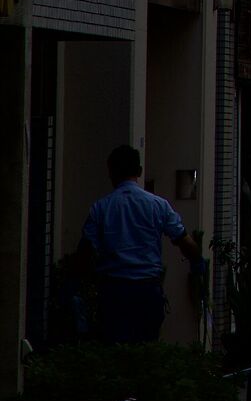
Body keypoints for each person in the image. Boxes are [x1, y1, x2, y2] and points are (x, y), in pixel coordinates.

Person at [75, 146, 205, 344]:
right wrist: (197, 263)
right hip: (147, 291)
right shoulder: (158, 205)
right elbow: (184, 241)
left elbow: (84, 252)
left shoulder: (101, 208)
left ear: (111, 172)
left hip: (113, 292)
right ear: (140, 171)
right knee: (145, 349)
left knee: (113, 349)